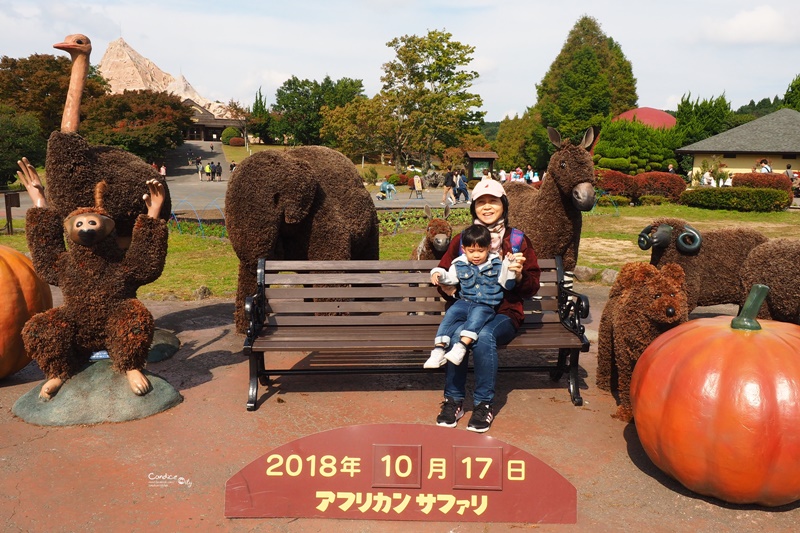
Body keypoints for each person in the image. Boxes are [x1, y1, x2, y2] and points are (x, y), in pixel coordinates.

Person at [431, 179, 541, 433]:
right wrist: (453, 287)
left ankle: (483, 404)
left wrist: (520, 275)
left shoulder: (517, 240)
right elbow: (445, 275)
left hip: (504, 312)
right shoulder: (463, 240)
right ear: (473, 208)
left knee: (484, 335)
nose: (487, 207)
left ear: (503, 205)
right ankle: (453, 400)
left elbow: (533, 285)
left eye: (493, 201)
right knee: (459, 333)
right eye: (481, 202)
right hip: (468, 311)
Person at [423, 224, 517, 370]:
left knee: (476, 319)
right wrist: (439, 273)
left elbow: (507, 284)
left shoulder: (497, 264)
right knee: (450, 315)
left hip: (486, 304)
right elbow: (451, 279)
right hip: (464, 302)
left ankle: (461, 347)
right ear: (464, 249)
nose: (476, 255)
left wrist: (510, 266)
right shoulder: (459, 263)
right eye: (471, 251)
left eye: (481, 251)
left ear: (489, 248)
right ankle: (438, 350)